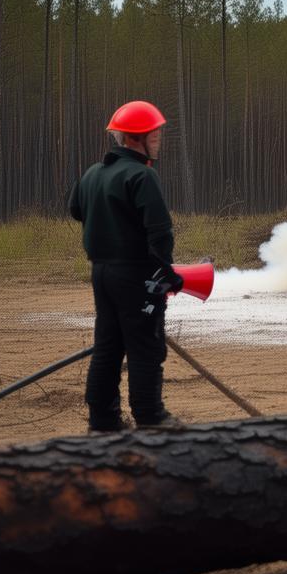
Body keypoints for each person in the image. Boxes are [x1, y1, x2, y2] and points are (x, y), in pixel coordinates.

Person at [68, 100, 183, 432]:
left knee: (108, 345)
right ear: (137, 138)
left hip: (101, 274)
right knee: (146, 345)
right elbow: (160, 231)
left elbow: (77, 210)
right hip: (135, 275)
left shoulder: (93, 173)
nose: (159, 138)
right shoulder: (142, 175)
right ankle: (151, 418)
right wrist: (165, 274)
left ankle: (102, 421)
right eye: (155, 133)